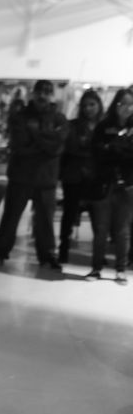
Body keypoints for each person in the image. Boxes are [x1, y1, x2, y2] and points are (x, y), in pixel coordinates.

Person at [0, 80, 67, 271]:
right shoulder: (20, 116)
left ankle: (48, 255)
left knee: (45, 221)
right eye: (40, 92)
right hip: (21, 176)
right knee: (10, 218)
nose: (43, 96)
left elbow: (57, 147)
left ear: (52, 95)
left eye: (47, 92)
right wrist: (47, 141)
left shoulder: (59, 118)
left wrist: (35, 135)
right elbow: (19, 145)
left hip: (46, 178)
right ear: (33, 93)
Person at [85, 87, 133, 284]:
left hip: (127, 185)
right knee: (101, 229)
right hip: (104, 183)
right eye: (122, 104)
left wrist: (114, 149)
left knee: (122, 230)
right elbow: (97, 153)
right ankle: (96, 268)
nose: (126, 108)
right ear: (115, 105)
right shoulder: (104, 126)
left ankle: (121, 269)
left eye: (130, 104)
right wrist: (118, 149)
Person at [58, 89, 103, 264]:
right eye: (84, 105)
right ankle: (63, 250)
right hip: (74, 176)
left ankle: (99, 254)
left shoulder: (104, 125)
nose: (88, 109)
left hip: (95, 177)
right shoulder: (73, 125)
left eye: (92, 104)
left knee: (98, 218)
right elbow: (68, 149)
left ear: (98, 105)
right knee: (69, 215)